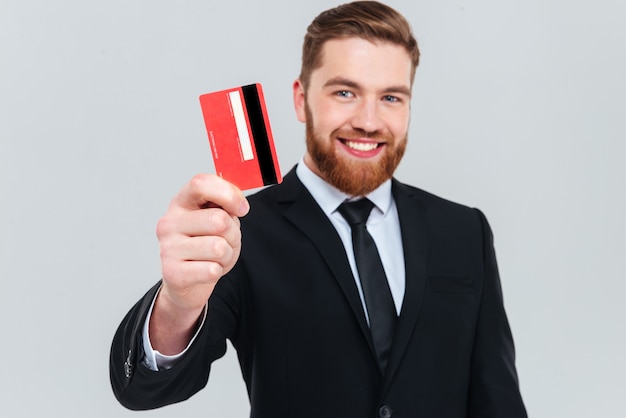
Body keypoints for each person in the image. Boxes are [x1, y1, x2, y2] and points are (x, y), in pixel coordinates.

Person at [110, 1, 527, 416]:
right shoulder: (240, 232)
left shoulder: (463, 229)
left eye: (391, 97)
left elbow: (499, 402)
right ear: (301, 99)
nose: (368, 120)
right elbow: (145, 388)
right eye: (345, 92)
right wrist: (178, 303)